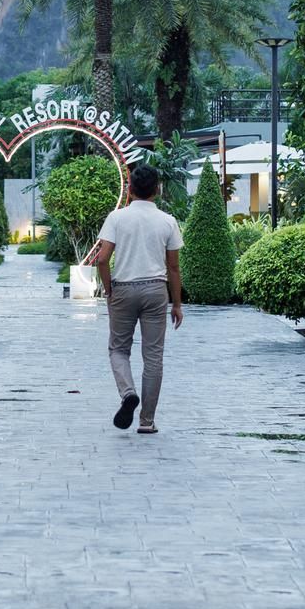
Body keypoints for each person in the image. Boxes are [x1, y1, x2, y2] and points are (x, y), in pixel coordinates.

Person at [92, 163, 184, 433]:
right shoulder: (168, 221)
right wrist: (176, 304)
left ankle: (128, 393)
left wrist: (109, 289)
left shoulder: (117, 218)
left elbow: (102, 260)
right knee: (153, 356)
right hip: (156, 289)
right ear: (157, 189)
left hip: (123, 289)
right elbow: (174, 267)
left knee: (118, 349)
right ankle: (147, 421)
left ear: (129, 189)